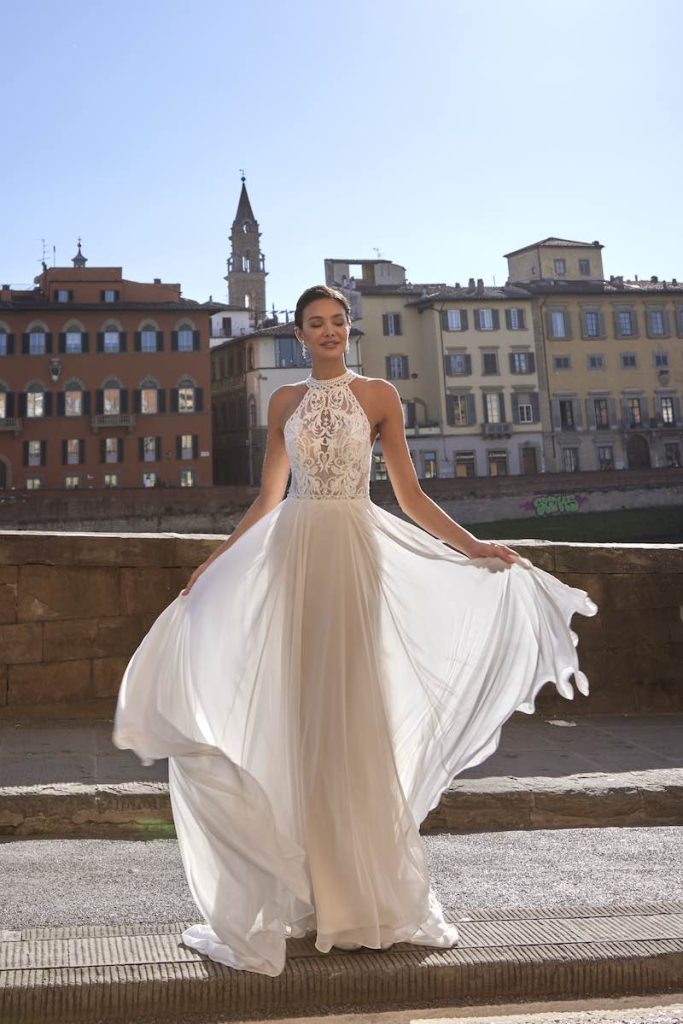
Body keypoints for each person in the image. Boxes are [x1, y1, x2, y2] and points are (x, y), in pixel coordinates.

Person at [113, 284, 598, 977]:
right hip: (296, 556)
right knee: (302, 713)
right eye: (316, 324)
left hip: (354, 551)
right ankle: (309, 893)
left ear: (350, 329)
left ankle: (361, 894)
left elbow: (407, 494)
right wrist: (212, 562)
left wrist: (473, 549)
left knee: (352, 711)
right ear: (299, 335)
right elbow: (267, 498)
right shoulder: (281, 403)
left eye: (338, 322)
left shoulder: (378, 397)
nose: (329, 332)